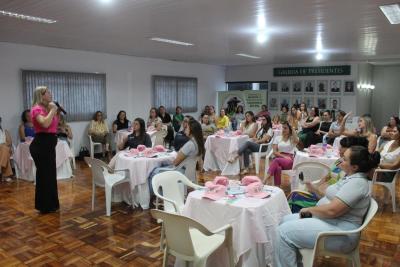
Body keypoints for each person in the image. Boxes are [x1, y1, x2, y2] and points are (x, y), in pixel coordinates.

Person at [274, 146, 380, 267]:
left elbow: (332, 211)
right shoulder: (350, 177)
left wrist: (309, 209)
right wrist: (314, 189)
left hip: (341, 234)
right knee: (284, 221)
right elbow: (333, 199)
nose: (340, 160)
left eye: (344, 159)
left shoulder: (357, 183)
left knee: (282, 233)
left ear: (355, 167)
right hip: (332, 222)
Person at [287, 136, 369, 213]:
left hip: (325, 200)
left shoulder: (350, 175)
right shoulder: (339, 162)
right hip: (319, 195)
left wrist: (317, 191)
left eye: (343, 155)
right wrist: (313, 187)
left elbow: (335, 201)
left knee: (295, 197)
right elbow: (326, 178)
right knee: (295, 195)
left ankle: (298, 220)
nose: (339, 151)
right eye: (340, 150)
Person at [148, 119, 205, 195]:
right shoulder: (198, 143)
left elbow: (175, 162)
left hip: (179, 171)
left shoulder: (190, 145)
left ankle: (157, 196)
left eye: (187, 127)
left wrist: (179, 153)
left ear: (191, 130)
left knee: (153, 172)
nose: (185, 129)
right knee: (163, 165)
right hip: (188, 171)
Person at [29, 86, 60, 214]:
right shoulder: (36, 109)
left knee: (50, 175)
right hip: (41, 145)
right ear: (41, 95)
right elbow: (45, 124)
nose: (50, 94)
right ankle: (45, 206)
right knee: (45, 176)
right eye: (48, 92)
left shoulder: (46, 109)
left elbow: (53, 126)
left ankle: (51, 204)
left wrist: (52, 110)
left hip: (48, 144)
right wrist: (53, 110)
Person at [264, 122, 298, 186]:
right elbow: (274, 152)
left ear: (289, 129)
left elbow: (297, 140)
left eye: (285, 128)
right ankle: (277, 186)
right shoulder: (278, 138)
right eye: (283, 128)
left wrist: (292, 129)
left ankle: (265, 179)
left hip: (290, 159)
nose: (283, 129)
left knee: (276, 160)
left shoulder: (292, 139)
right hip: (280, 157)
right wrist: (283, 156)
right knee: (277, 168)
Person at [0, 117, 13, 181]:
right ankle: (5, 175)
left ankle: (1, 169)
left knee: (4, 148)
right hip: (3, 148)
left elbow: (10, 142)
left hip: (3, 148)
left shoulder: (5, 131)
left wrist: (3, 145)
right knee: (5, 149)